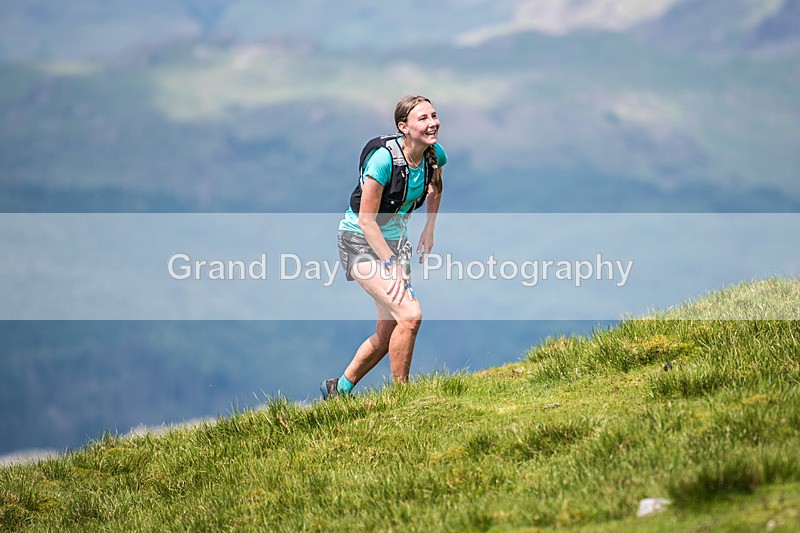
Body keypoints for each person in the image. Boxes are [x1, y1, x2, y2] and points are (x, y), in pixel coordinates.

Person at [321, 95, 447, 399]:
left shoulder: (433, 154)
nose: (433, 123)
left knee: (390, 328)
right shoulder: (382, 161)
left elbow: (436, 186)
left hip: (394, 244)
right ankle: (402, 398)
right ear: (403, 127)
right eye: (423, 118)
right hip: (360, 242)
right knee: (410, 314)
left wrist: (429, 228)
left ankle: (338, 389)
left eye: (434, 115)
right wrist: (391, 263)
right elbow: (366, 221)